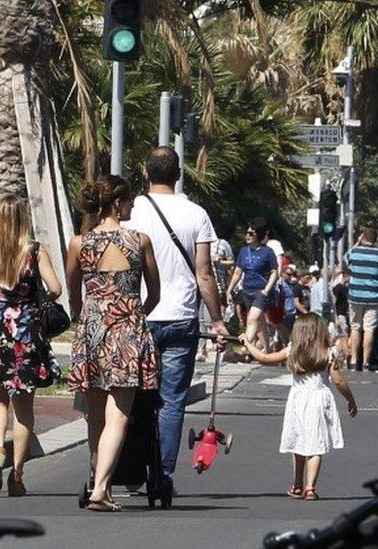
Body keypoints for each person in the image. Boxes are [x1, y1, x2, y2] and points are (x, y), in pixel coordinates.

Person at [124, 146, 228, 499]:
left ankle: (132, 465)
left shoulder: (131, 212)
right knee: (171, 401)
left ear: (144, 173)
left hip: (139, 315)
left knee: (134, 397)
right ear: (179, 174)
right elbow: (204, 273)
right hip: (181, 318)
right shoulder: (196, 214)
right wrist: (217, 320)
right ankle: (164, 474)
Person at [66, 175, 160, 512]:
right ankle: (101, 488)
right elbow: (155, 293)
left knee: (95, 417)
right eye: (130, 201)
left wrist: (90, 317)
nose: (132, 206)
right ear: (118, 204)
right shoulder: (140, 241)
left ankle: (97, 479)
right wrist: (132, 315)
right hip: (127, 332)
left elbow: (74, 294)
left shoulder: (79, 243)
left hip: (92, 330)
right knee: (119, 415)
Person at [0, 197, 62, 497]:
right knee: (24, 408)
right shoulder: (34, 251)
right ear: (23, 218)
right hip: (25, 333)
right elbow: (56, 288)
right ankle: (18, 475)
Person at [242, 313, 357, 501]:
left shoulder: (292, 351)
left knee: (298, 440)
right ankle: (310, 487)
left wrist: (247, 343)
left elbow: (264, 358)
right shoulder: (328, 354)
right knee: (316, 444)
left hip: (298, 399)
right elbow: (339, 381)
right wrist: (350, 399)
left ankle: (297, 484)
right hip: (319, 398)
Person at [226, 217, 279, 350]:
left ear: (258, 235)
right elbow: (238, 272)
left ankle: (245, 348)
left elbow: (274, 272)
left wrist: (266, 290)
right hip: (247, 291)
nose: (247, 236)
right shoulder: (244, 251)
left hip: (261, 292)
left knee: (251, 319)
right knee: (259, 323)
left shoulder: (267, 252)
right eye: (247, 233)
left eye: (251, 233)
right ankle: (267, 350)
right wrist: (229, 290)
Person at [344, 228, 378, 371]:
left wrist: (356, 244)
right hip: (374, 297)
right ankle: (365, 362)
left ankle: (353, 360)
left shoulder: (354, 252)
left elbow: (345, 262)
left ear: (363, 237)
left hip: (355, 296)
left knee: (355, 327)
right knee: (369, 329)